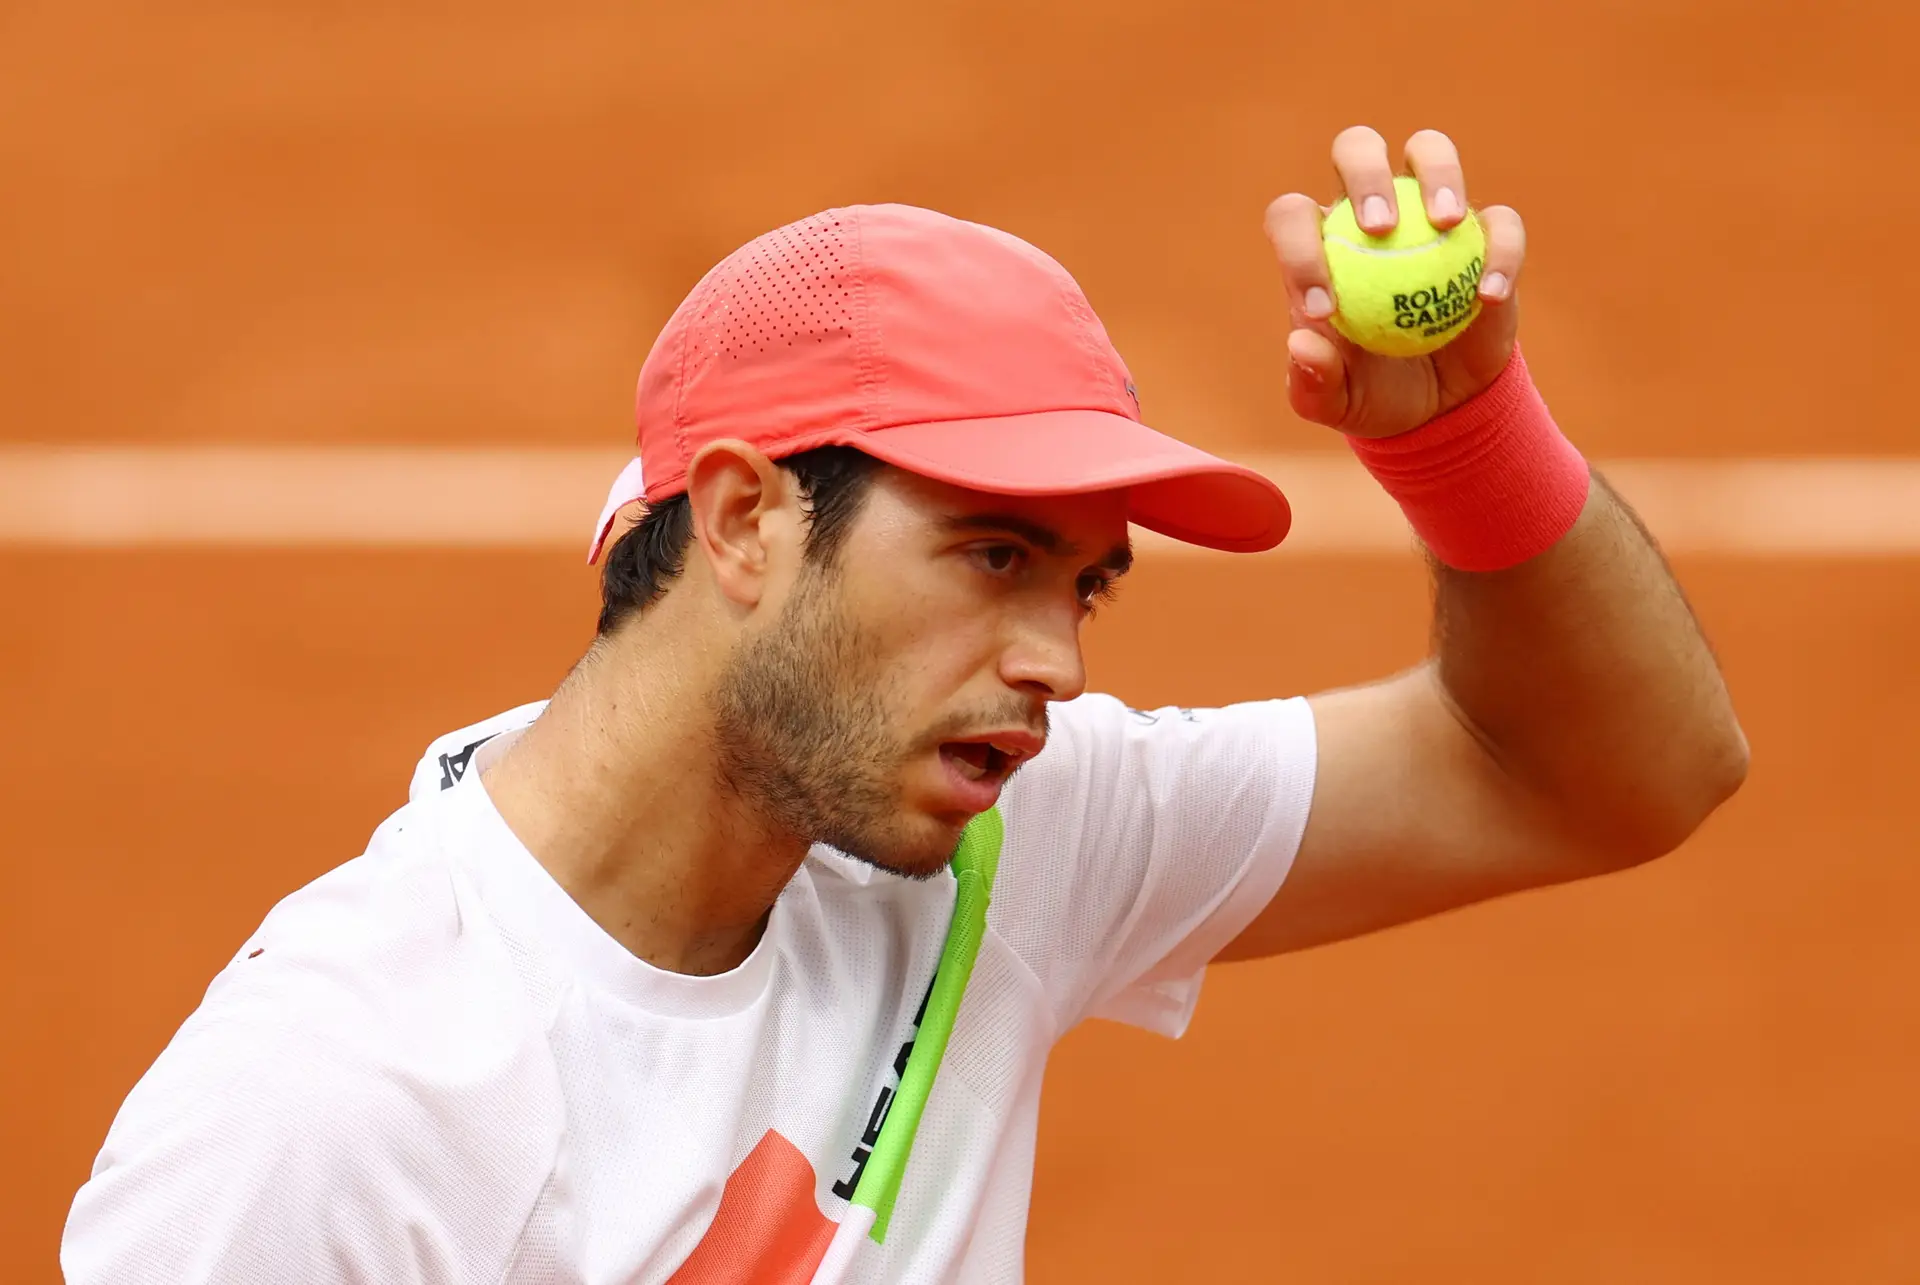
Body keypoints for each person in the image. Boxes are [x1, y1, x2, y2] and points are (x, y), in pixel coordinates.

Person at [62, 126, 1747, 1284]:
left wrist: (1461, 440)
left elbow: (1613, 775)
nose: (1059, 663)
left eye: (1084, 583)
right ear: (742, 521)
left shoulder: (1003, 830)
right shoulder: (337, 1103)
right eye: (993, 555)